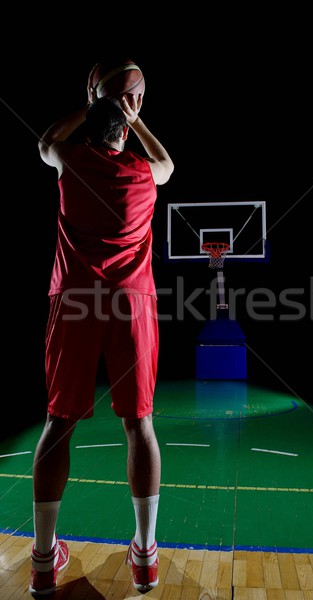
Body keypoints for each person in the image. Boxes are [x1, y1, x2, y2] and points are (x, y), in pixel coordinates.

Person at [29, 80, 174, 596]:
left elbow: (45, 140)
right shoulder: (145, 174)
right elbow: (168, 163)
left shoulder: (69, 160)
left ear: (89, 128)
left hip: (74, 301)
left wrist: (92, 106)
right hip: (131, 303)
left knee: (58, 422)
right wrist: (134, 117)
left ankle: (43, 561)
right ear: (125, 135)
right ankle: (145, 556)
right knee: (140, 425)